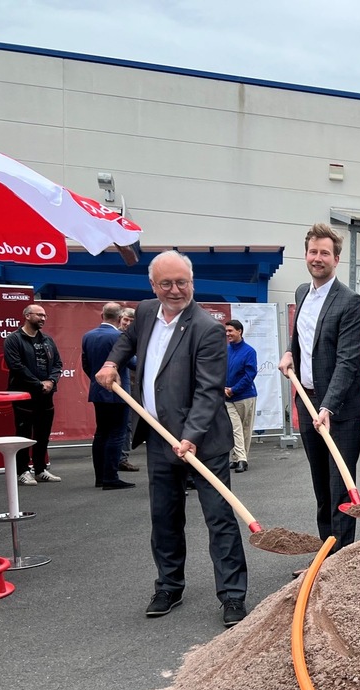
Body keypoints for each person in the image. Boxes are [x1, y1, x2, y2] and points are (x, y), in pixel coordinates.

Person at [96, 250, 249, 628]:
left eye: (182, 282)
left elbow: (208, 390)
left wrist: (191, 436)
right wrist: (113, 362)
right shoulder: (146, 312)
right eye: (167, 283)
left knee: (219, 519)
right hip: (159, 438)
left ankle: (232, 595)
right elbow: (126, 341)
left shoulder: (207, 328)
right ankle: (168, 585)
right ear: (153, 285)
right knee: (164, 518)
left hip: (203, 442)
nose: (176, 290)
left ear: (192, 283)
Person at [278, 223, 360, 549]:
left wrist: (327, 406)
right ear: (306, 255)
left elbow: (347, 361)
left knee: (340, 485)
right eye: (313, 252)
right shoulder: (303, 292)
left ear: (336, 259)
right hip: (307, 400)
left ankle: (341, 558)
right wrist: (290, 351)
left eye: (324, 253)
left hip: (340, 408)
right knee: (321, 483)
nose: (318, 258)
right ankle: (325, 551)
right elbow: (302, 335)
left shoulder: (350, 303)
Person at [3, 303, 63, 485]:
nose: (43, 319)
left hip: (46, 395)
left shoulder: (47, 340)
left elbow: (58, 364)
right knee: (23, 433)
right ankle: (22, 470)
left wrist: (51, 382)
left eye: (44, 316)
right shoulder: (13, 339)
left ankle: (40, 469)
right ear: (27, 316)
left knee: (43, 434)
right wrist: (38, 384)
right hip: (24, 395)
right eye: (39, 315)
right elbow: (16, 366)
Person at [81, 302, 134, 490]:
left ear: (102, 315)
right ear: (120, 318)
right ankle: (111, 477)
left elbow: (86, 365)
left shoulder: (88, 336)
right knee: (117, 434)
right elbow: (132, 363)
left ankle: (101, 477)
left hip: (98, 391)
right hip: (119, 392)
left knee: (101, 433)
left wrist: (99, 381)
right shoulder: (119, 336)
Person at [224, 319, 258, 473]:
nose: (228, 334)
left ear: (240, 331)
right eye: (227, 331)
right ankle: (241, 459)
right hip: (228, 398)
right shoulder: (225, 350)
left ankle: (239, 457)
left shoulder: (249, 351)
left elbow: (250, 374)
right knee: (235, 428)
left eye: (230, 331)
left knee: (245, 428)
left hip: (245, 396)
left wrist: (234, 389)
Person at [116, 306, 139, 473]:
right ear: (120, 319)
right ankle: (121, 458)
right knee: (124, 425)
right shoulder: (117, 338)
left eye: (132, 321)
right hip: (122, 387)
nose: (128, 323)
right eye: (126, 320)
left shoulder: (139, 337)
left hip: (137, 385)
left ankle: (120, 458)